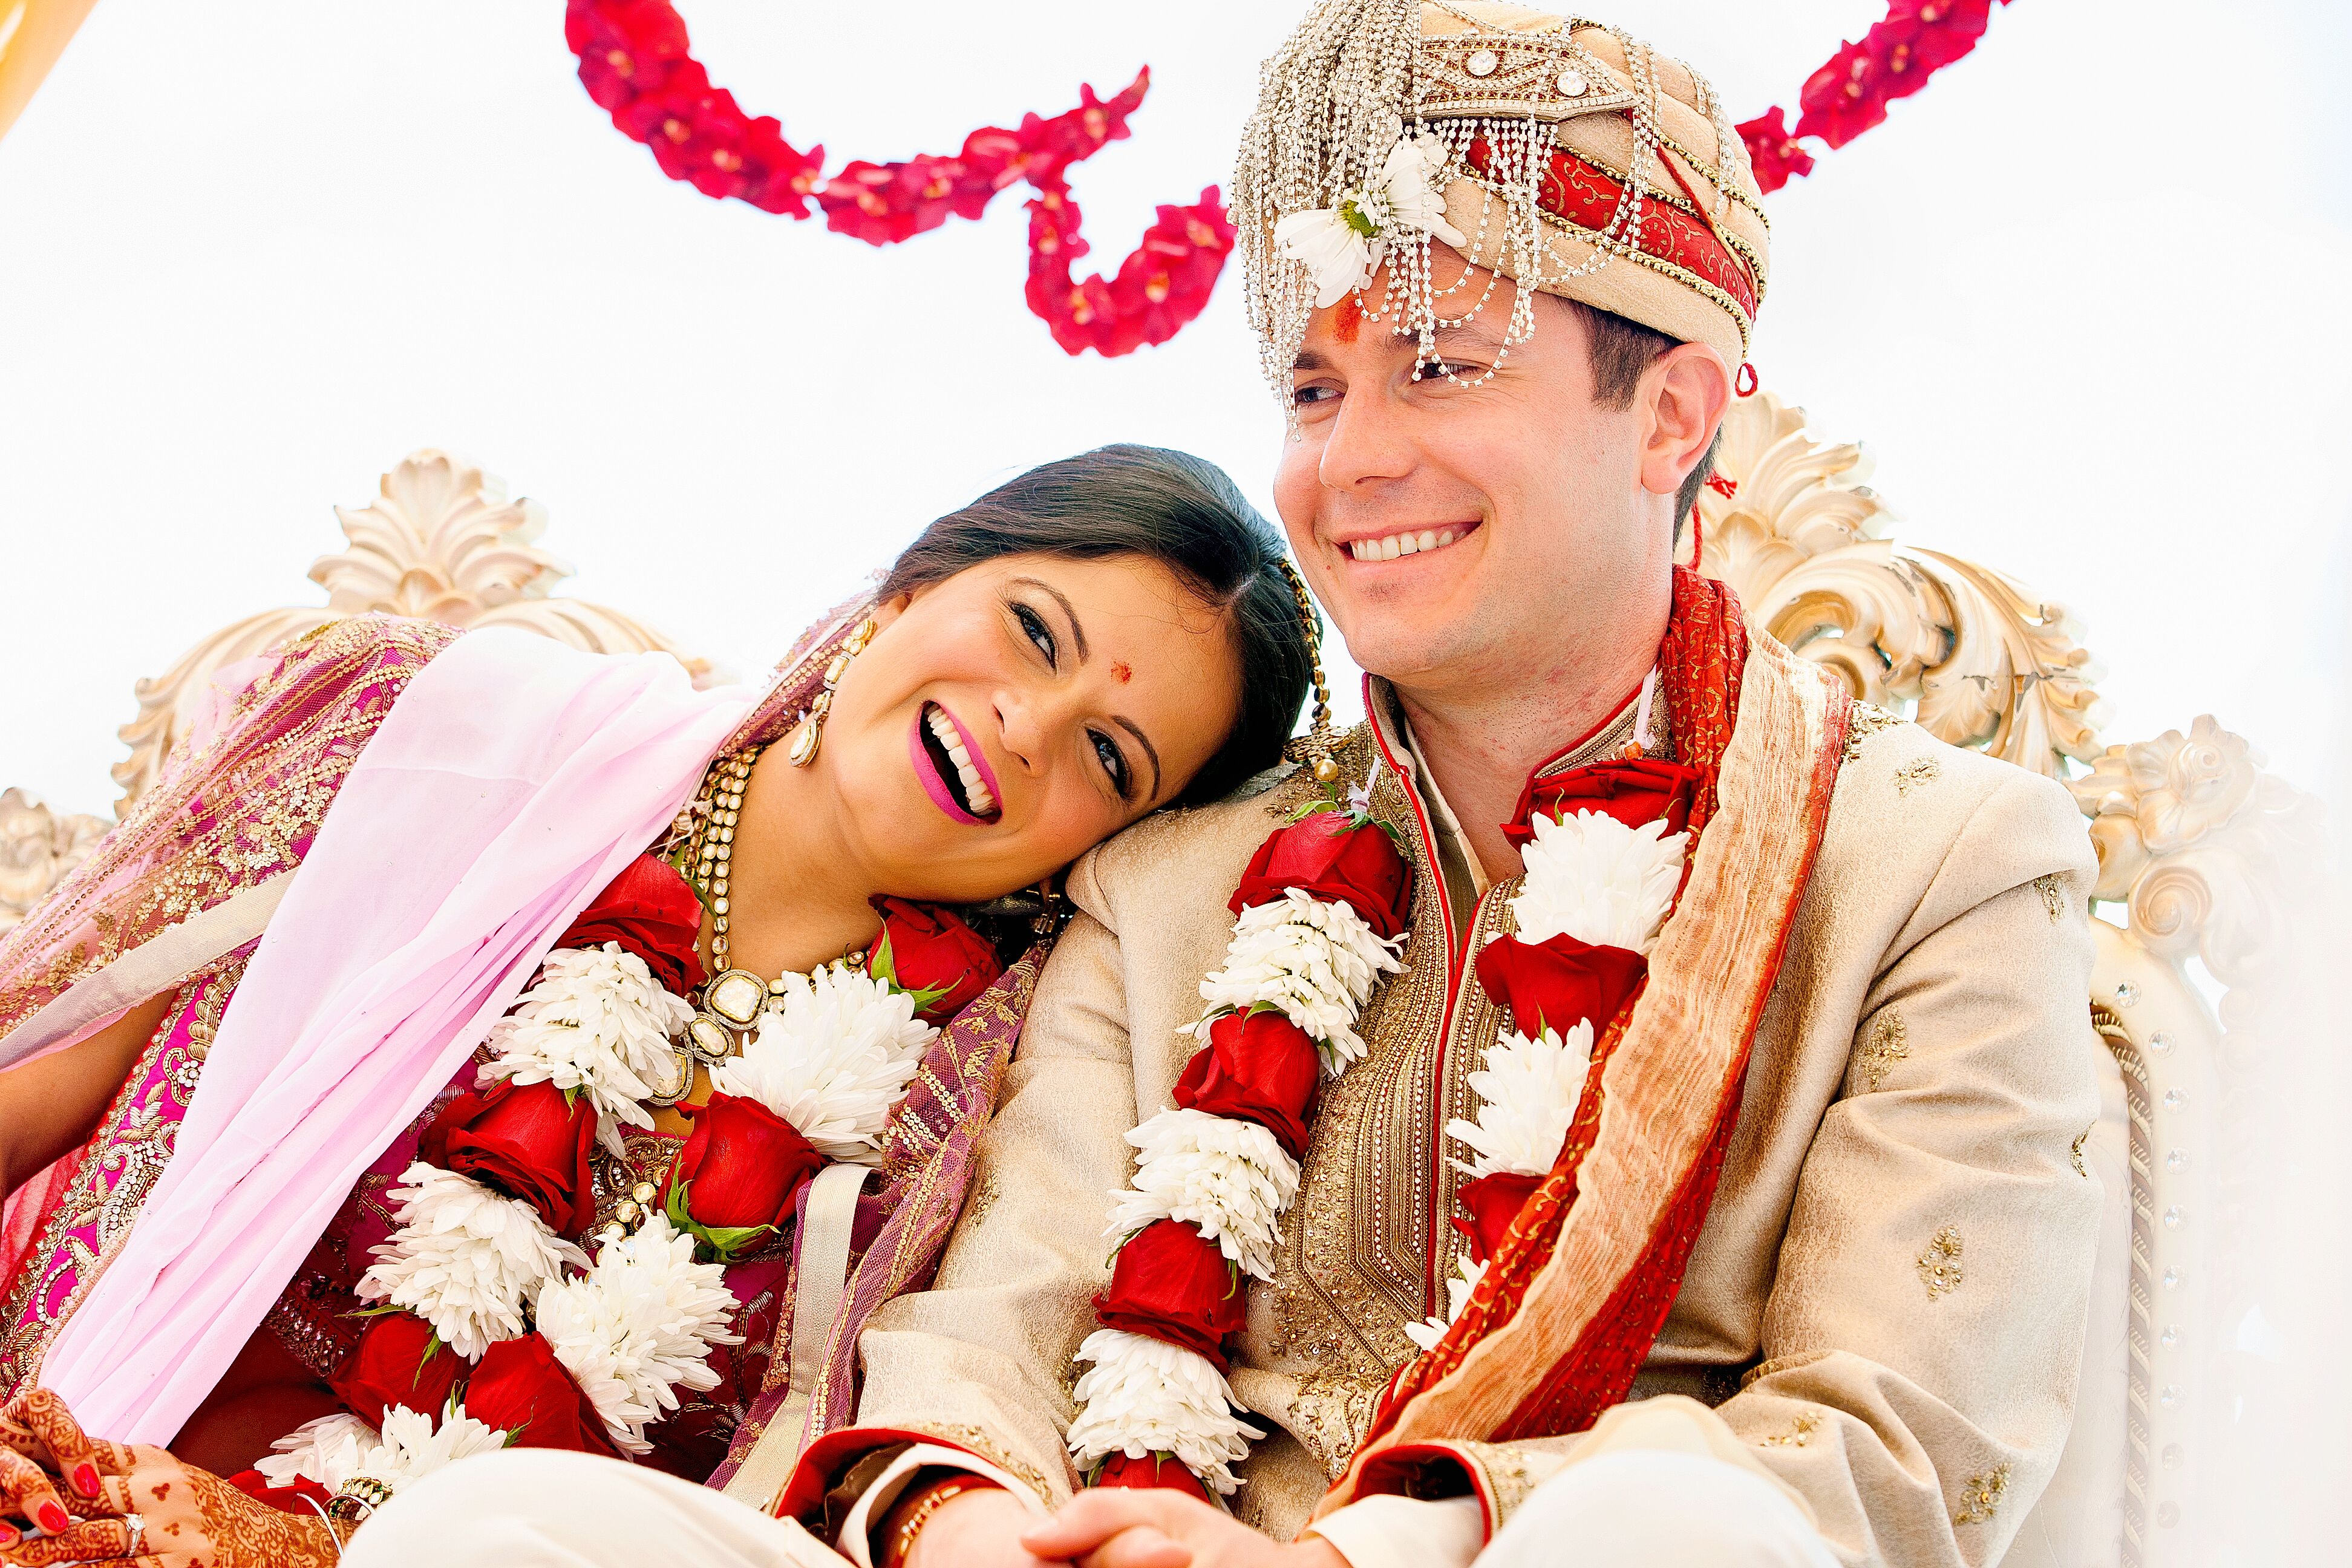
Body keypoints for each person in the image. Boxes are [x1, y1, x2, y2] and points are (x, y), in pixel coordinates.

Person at [108, 2, 2103, 1564]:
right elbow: (997, 1311)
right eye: (1315, 392)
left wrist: (1364, 1554)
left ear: (1668, 407)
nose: (1352, 462)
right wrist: (981, 1517)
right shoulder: (1181, 878)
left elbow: (1888, 1443)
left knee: (1679, 1532)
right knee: (493, 1528)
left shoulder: (1935, 865)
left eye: (1438, 369)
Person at [0, 444, 1313, 1565]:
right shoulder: (439, 740)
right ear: (919, 581)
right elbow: (50, 1085)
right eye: (1035, 631)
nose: (1031, 724)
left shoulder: (962, 1117)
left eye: (1109, 756)